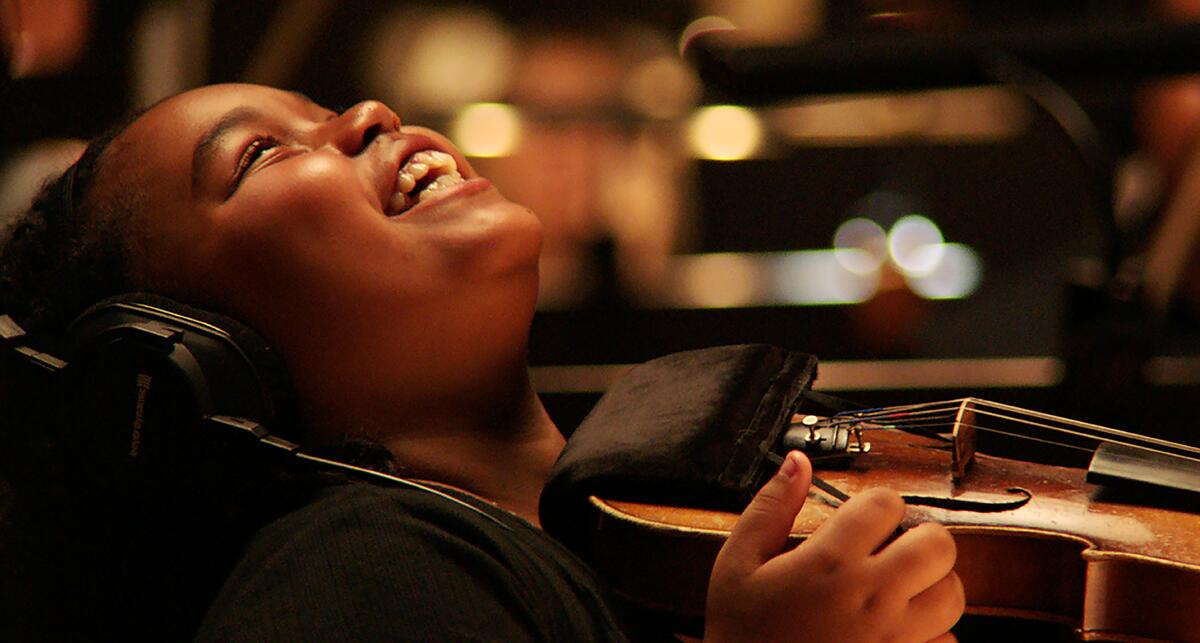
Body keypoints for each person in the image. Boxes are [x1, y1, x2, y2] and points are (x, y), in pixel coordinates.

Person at [0, 83, 963, 641]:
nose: (367, 113)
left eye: (322, 108)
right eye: (261, 156)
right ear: (197, 368)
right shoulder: (362, 580)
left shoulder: (607, 541)